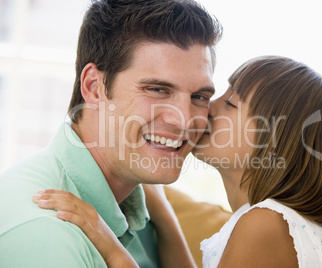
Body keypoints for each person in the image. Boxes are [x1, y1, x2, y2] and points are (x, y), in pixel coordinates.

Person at [33, 55, 322, 267]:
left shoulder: (265, 225)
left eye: (231, 103)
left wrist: (108, 244)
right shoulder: (293, 226)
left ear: (275, 141)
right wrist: (164, 216)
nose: (207, 107)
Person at [0, 0, 222, 267]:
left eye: (199, 96)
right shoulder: (46, 233)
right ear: (94, 87)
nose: (184, 120)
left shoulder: (142, 208)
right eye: (157, 90)